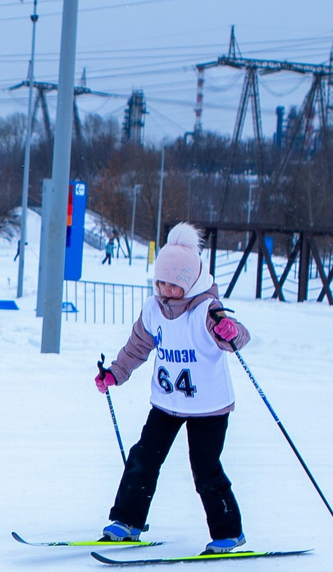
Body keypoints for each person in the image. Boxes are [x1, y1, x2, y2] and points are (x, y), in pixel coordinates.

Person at [95, 223, 250, 554]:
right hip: (166, 403)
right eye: (160, 282)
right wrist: (115, 374)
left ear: (191, 282)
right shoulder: (153, 310)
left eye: (174, 285)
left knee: (205, 468)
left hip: (208, 407)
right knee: (143, 458)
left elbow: (237, 338)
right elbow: (137, 346)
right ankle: (127, 521)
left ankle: (229, 532)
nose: (166, 290)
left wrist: (229, 330)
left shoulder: (205, 309)